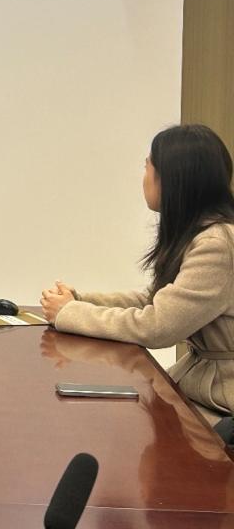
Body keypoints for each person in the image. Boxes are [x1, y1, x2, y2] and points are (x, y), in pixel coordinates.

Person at [41, 124, 234, 418]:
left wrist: (70, 313)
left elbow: (158, 327)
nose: (144, 177)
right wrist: (79, 300)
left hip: (221, 402)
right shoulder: (203, 234)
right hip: (202, 386)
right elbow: (154, 300)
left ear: (173, 179)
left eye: (147, 167)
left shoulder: (217, 245)